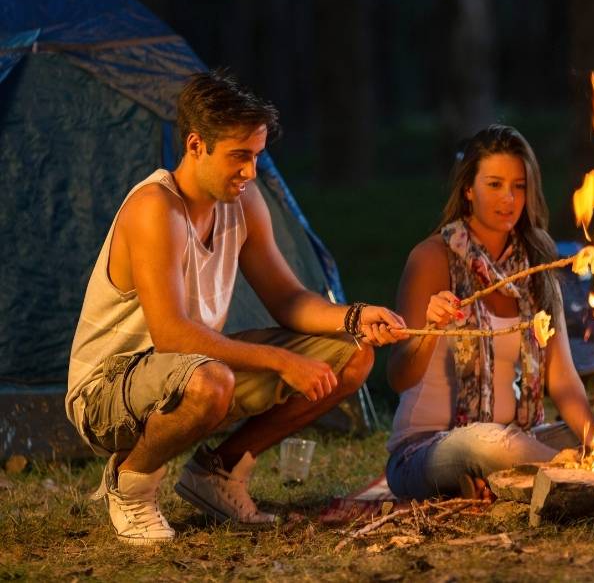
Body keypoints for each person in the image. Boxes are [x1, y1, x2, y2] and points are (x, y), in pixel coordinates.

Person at [66, 70, 409, 546]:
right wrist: (283, 361)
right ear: (195, 145)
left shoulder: (242, 205)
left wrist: (355, 317)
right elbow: (171, 335)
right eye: (239, 157)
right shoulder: (155, 209)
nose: (250, 172)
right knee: (211, 381)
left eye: (256, 156)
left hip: (191, 370)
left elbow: (287, 300)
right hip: (106, 391)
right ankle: (131, 484)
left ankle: (219, 474)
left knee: (352, 355)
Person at [384, 125, 594, 499]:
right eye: (495, 184)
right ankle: (582, 477)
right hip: (428, 449)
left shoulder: (536, 262)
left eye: (519, 186)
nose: (509, 199)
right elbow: (399, 377)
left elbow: (562, 380)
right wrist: (430, 330)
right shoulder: (432, 258)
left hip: (521, 435)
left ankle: (573, 468)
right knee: (490, 445)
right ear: (469, 189)